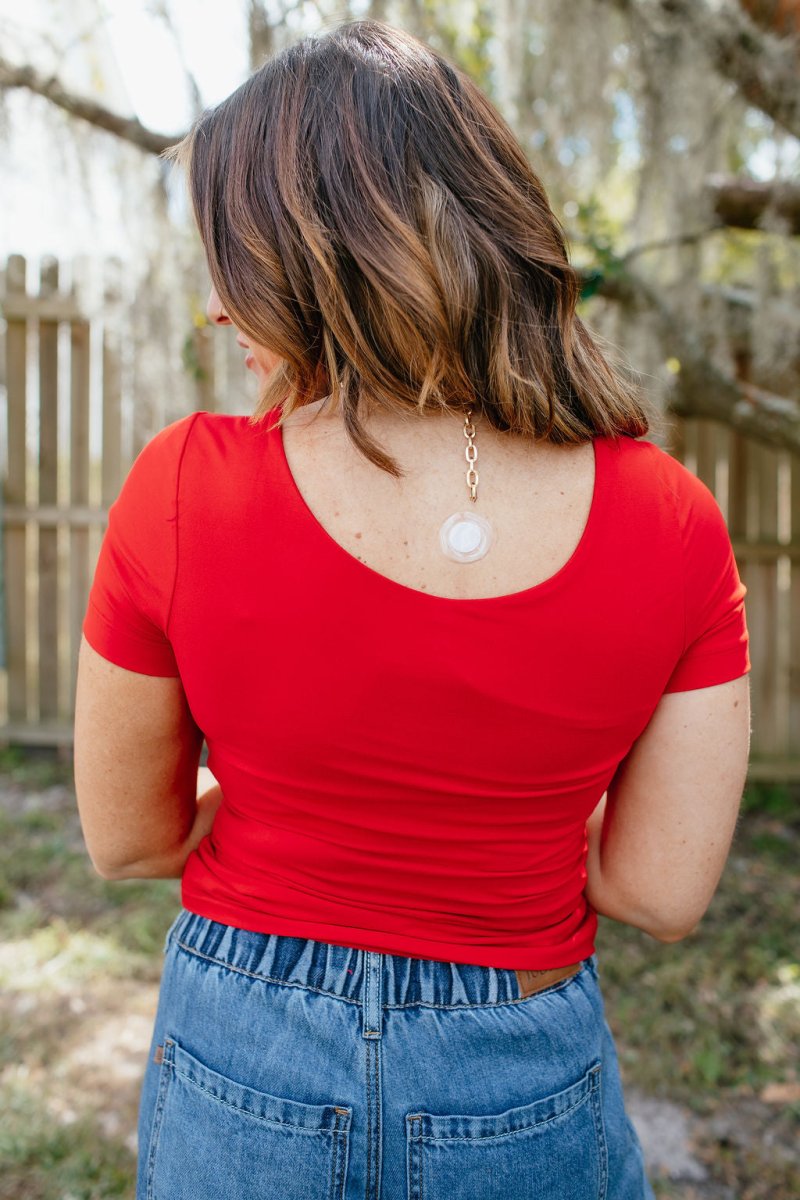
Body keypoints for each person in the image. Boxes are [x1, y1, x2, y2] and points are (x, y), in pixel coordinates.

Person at [72, 18, 751, 1200]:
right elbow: (659, 889)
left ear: (317, 258)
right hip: (519, 1064)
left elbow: (128, 836)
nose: (217, 310)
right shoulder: (674, 521)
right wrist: (486, 831)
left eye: (232, 262)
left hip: (246, 1053)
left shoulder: (184, 484)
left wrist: (309, 804)